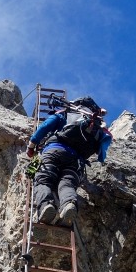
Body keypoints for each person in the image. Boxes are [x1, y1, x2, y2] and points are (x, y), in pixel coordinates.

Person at [25, 96, 112, 226]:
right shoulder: (97, 126)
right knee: (67, 184)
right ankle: (68, 205)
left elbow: (45, 126)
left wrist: (31, 146)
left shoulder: (66, 114)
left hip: (54, 150)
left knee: (44, 179)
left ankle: (46, 206)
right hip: (76, 161)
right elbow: (101, 156)